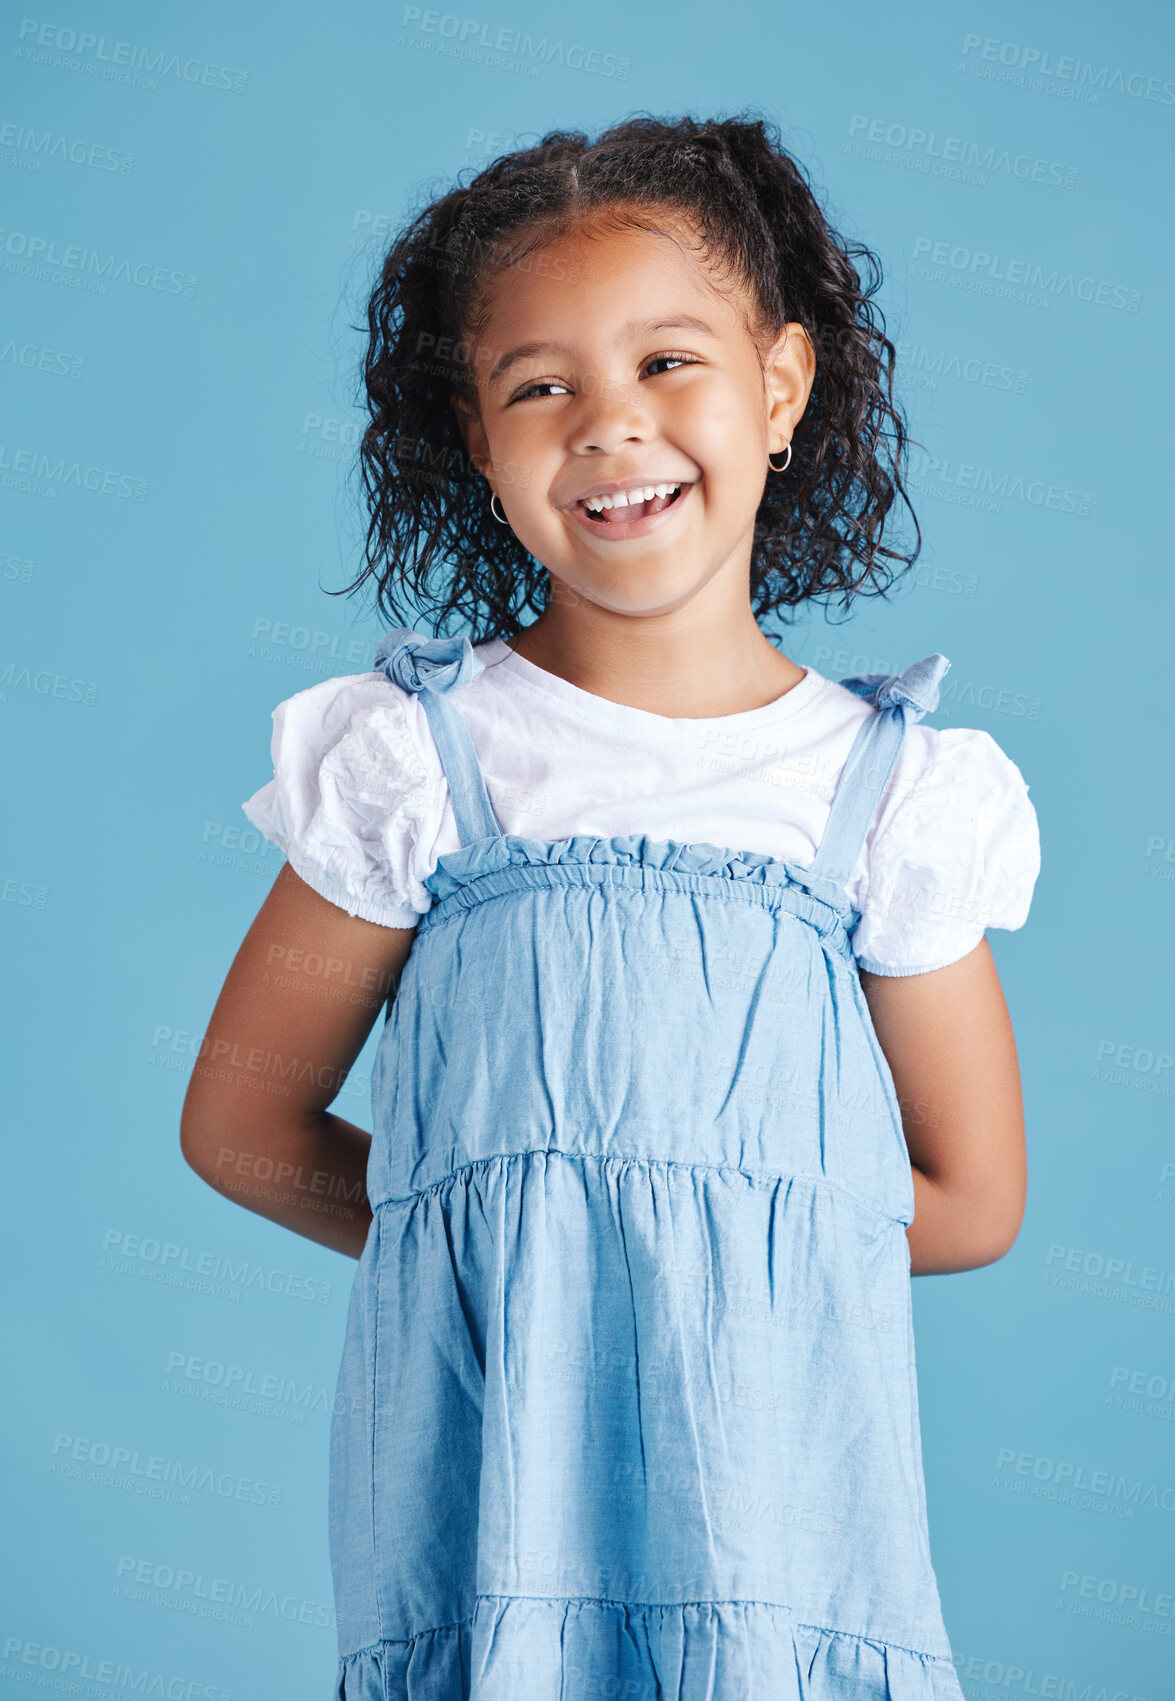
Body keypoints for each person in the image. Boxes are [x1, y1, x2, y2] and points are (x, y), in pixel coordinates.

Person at [181, 112, 1040, 1699]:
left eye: (667, 363)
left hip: (783, 1517)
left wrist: (715, 1238)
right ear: (476, 433)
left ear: (779, 387)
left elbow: (974, 1196)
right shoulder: (417, 761)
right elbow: (241, 1121)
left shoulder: (890, 797)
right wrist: (500, 1231)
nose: (608, 426)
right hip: (494, 1499)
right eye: (540, 385)